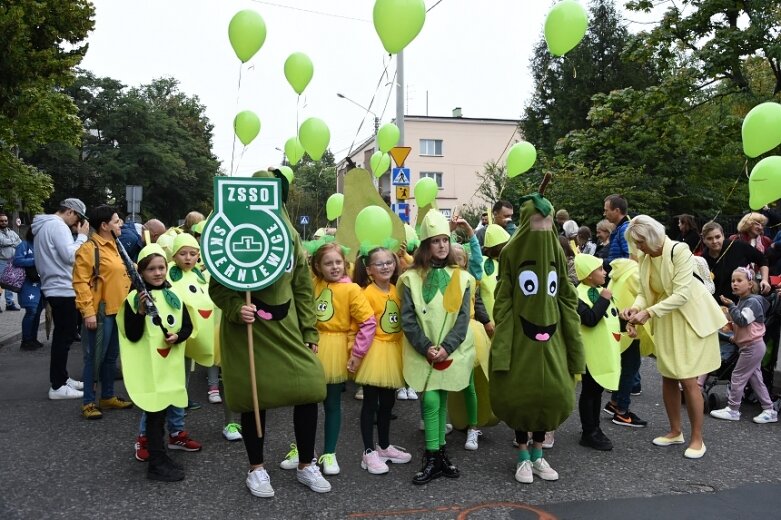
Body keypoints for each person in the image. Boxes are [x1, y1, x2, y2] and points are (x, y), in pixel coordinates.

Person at [490, 191, 584, 484]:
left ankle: (539, 453)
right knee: (522, 392)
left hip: (552, 334)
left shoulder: (558, 250)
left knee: (550, 393)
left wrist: (571, 334)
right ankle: (522, 457)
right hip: (521, 335)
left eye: (546, 221)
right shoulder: (511, 252)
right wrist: (504, 337)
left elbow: (567, 295)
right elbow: (503, 298)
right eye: (536, 221)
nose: (542, 228)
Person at [622, 215, 725, 459]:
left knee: (688, 380)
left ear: (652, 237)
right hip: (666, 320)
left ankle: (697, 439)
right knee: (668, 376)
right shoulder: (646, 257)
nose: (638, 248)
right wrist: (636, 307)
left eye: (640, 242)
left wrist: (647, 312)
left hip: (690, 320)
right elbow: (643, 292)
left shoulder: (680, 250)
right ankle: (675, 431)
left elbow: (681, 294)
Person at [400, 209, 474, 485]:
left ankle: (441, 454)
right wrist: (426, 347)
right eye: (435, 241)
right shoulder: (410, 279)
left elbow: (463, 319)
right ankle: (431, 456)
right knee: (431, 399)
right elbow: (408, 319)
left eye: (445, 240)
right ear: (425, 245)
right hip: (425, 349)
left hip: (449, 350)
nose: (442, 245)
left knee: (442, 399)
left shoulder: (463, 277)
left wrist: (447, 346)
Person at [117, 244, 194, 481]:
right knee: (154, 414)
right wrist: (140, 312)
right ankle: (156, 463)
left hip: (169, 367)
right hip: (149, 370)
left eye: (161, 267)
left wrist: (177, 336)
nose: (158, 273)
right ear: (141, 273)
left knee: (164, 413)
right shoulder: (133, 299)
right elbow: (131, 334)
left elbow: (187, 326)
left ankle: (160, 457)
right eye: (152, 269)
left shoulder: (174, 296)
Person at [352, 246, 412, 474]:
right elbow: (361, 325)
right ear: (369, 270)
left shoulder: (398, 289)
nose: (386, 266)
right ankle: (368, 452)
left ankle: (384, 446)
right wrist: (356, 354)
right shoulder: (366, 293)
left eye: (389, 262)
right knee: (371, 404)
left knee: (388, 403)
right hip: (375, 351)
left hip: (394, 350)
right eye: (380, 263)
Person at [73, 205, 134, 420]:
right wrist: (87, 312)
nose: (121, 224)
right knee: (94, 359)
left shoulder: (116, 246)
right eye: (117, 221)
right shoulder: (90, 249)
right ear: (104, 225)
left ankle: (107, 397)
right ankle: (88, 402)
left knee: (110, 359)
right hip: (100, 313)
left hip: (118, 312)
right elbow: (80, 283)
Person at [32, 198, 90, 400]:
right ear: (71, 212)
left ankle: (62, 379)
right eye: (78, 220)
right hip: (62, 288)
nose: (77, 225)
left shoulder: (44, 226)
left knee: (63, 337)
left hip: (53, 285)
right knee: (63, 339)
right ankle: (57, 386)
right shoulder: (58, 226)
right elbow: (70, 256)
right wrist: (82, 238)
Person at [710, 267, 778, 424]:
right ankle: (769, 410)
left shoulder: (752, 302)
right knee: (756, 379)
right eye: (733, 281)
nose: (734, 284)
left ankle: (733, 409)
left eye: (739, 281)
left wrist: (731, 306)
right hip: (750, 345)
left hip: (752, 346)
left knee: (738, 376)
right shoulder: (744, 300)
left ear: (750, 284)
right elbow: (743, 327)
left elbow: (742, 320)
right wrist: (736, 338)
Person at [601, 194, 647, 428]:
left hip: (621, 296)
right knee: (630, 359)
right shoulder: (623, 230)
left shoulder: (625, 230)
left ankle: (617, 401)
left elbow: (629, 259)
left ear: (617, 210)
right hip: (626, 305)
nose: (604, 213)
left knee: (626, 357)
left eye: (607, 209)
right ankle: (622, 408)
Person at [574, 254, 621, 451]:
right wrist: (603, 300)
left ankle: (595, 427)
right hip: (589, 353)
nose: (605, 272)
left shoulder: (603, 291)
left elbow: (610, 317)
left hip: (605, 351)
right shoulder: (577, 295)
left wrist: (627, 323)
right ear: (588, 275)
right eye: (600, 269)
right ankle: (589, 431)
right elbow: (590, 319)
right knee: (590, 391)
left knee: (598, 390)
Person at [700, 221, 770, 303]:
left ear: (723, 235)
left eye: (717, 237)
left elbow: (762, 260)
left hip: (744, 301)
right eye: (709, 238)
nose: (714, 241)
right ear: (703, 239)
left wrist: (764, 279)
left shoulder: (738, 246)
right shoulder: (702, 260)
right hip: (717, 303)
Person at [14, 228, 44, 350]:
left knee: (37, 312)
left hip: (41, 283)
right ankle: (26, 340)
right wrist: (34, 260)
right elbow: (17, 260)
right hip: (27, 283)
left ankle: (33, 338)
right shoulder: (24, 244)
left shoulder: (42, 246)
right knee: (31, 310)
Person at [0, 212, 22, 311]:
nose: (4, 222)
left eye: (5, 220)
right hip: (1, 261)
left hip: (11, 261)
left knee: (9, 282)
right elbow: (2, 241)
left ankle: (9, 303)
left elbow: (19, 243)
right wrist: (12, 242)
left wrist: (8, 243)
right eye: (1, 221)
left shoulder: (11, 232)